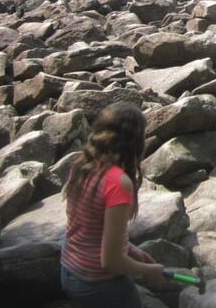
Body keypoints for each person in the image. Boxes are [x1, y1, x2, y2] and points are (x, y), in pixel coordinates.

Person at [61, 102, 167, 307]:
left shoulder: (82, 164)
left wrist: (133, 251)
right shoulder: (118, 183)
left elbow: (91, 229)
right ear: (135, 142)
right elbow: (110, 261)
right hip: (97, 283)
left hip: (69, 270)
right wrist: (150, 271)